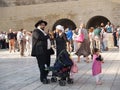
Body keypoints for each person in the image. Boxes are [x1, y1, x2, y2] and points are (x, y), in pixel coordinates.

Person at [31, 20, 51, 84]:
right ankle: (43, 78)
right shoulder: (35, 31)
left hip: (46, 51)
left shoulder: (43, 32)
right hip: (40, 51)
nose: (44, 26)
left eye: (44, 25)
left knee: (47, 64)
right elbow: (39, 37)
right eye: (42, 25)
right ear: (39, 25)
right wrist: (47, 36)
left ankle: (45, 75)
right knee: (42, 65)